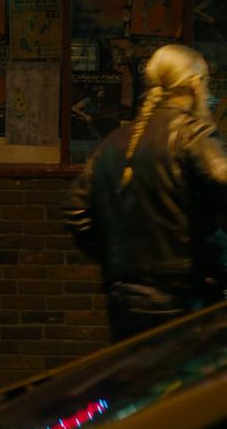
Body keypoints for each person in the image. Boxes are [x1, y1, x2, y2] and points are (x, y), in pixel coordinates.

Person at [63, 44, 227, 343]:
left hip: (125, 298)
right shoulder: (195, 136)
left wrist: (119, 258)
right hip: (184, 298)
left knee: (135, 385)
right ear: (194, 84)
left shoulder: (114, 142)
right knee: (182, 386)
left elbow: (77, 213)